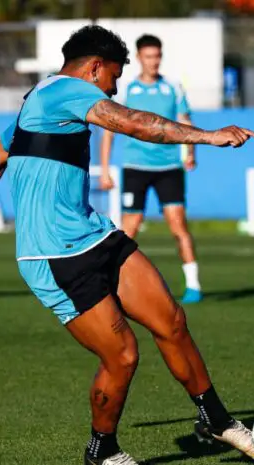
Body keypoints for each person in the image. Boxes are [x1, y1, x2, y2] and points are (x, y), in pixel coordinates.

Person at [0, 25, 254, 465]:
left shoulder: (41, 103)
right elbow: (135, 123)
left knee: (170, 320)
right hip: (53, 255)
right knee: (123, 355)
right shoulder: (63, 93)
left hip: (94, 235)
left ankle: (216, 419)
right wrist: (208, 137)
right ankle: (102, 450)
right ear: (94, 68)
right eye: (113, 77)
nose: (114, 87)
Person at [99, 34, 204, 304]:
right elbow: (109, 130)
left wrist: (190, 152)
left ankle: (193, 285)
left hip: (169, 167)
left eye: (157, 56)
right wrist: (105, 169)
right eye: (148, 57)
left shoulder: (172, 88)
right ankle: (115, 284)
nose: (153, 62)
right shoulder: (127, 90)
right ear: (139, 59)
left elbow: (184, 121)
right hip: (136, 168)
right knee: (129, 228)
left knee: (178, 226)